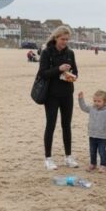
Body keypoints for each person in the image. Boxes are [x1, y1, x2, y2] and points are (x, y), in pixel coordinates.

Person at [38, 26, 79, 170]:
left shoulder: (70, 53)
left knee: (66, 125)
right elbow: (42, 73)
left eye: (67, 40)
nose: (65, 42)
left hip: (67, 93)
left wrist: (71, 76)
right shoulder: (47, 52)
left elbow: (75, 71)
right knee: (51, 125)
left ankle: (68, 157)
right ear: (56, 37)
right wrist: (59, 69)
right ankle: (48, 158)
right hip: (51, 95)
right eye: (63, 39)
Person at [77, 90, 106, 173]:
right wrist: (80, 98)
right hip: (92, 134)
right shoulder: (91, 108)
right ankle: (93, 164)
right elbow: (83, 107)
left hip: (102, 136)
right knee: (92, 151)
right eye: (95, 101)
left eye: (99, 101)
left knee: (102, 151)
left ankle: (103, 165)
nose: (96, 103)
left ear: (105, 102)